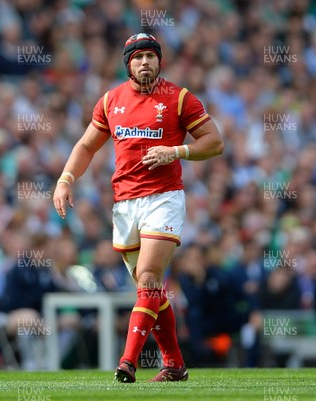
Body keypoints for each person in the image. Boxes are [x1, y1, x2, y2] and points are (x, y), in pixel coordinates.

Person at [52, 33, 224, 382]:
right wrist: (65, 179)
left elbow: (214, 142)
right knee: (152, 291)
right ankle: (174, 365)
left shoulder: (179, 99)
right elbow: (86, 146)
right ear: (127, 63)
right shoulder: (110, 100)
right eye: (138, 57)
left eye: (150, 56)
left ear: (159, 61)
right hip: (125, 204)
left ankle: (127, 362)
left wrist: (177, 151)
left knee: (147, 278)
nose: (145, 62)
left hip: (164, 197)